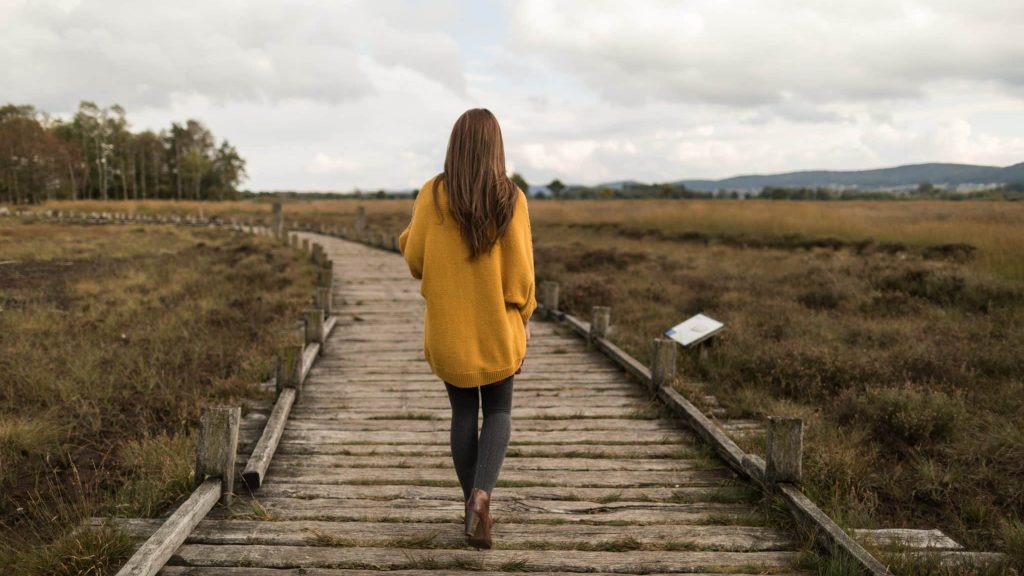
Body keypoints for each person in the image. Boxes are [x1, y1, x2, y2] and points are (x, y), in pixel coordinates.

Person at [398, 108, 536, 549]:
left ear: (455, 145)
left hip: (449, 332)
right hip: (497, 329)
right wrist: (526, 318)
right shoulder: (511, 199)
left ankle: (471, 507)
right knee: (498, 412)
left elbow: (416, 260)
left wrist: (408, 238)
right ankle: (482, 497)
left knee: (462, 415)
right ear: (496, 147)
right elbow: (519, 280)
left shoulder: (431, 193)